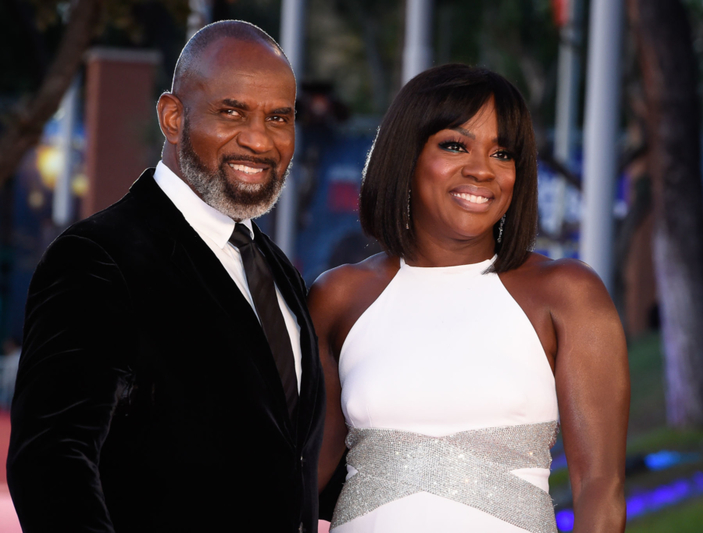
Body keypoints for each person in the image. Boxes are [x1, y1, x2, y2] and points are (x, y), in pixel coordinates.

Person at [7, 20, 325, 533]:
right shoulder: (99, 258)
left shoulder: (275, 270)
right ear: (173, 117)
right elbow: (50, 462)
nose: (258, 140)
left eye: (279, 117)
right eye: (232, 111)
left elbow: (286, 459)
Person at [309, 64, 630, 533]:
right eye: (454, 145)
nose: (481, 170)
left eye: (503, 153)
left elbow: (601, 486)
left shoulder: (566, 294)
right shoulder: (339, 296)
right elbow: (300, 481)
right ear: (407, 154)